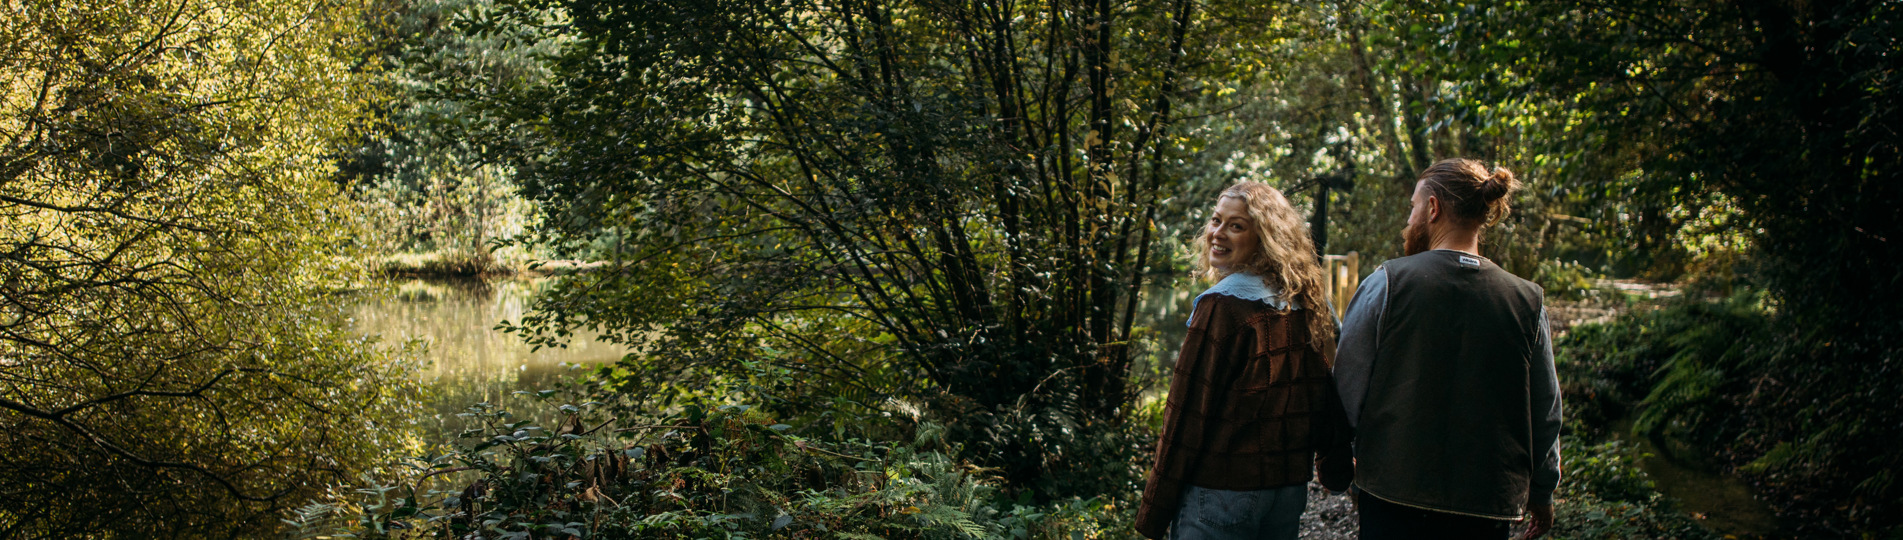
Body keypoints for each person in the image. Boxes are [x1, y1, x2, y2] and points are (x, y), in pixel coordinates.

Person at [1333, 158, 1564, 540]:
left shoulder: (1387, 283)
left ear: (1433, 208)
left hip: (1393, 494)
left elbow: (1347, 389)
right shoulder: (1528, 301)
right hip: (1486, 504)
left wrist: (1343, 464)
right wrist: (1542, 491)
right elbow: (1545, 412)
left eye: (1412, 208)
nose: (1408, 221)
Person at [1135, 181, 1355, 540]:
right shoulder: (1298, 301)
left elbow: (1185, 416)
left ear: (1266, 238)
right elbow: (1321, 393)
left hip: (1221, 495)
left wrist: (1153, 514)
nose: (1217, 233)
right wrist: (1335, 461)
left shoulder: (1221, 307)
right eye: (1216, 220)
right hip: (1285, 495)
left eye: (1235, 226)